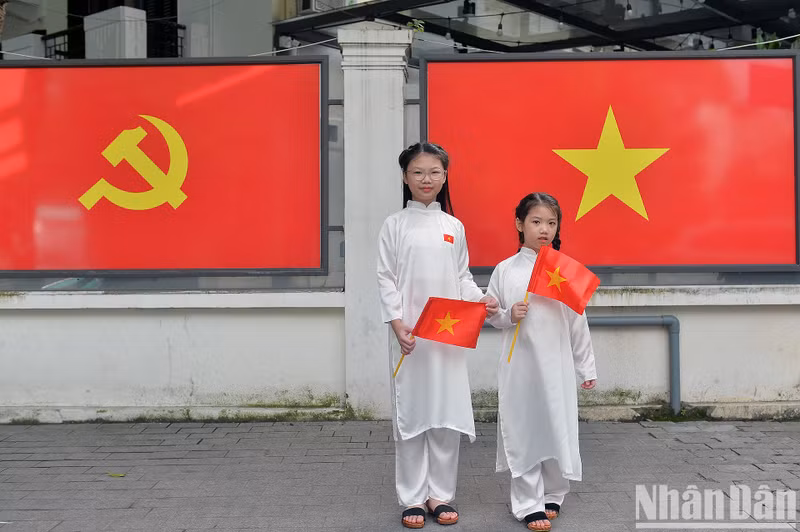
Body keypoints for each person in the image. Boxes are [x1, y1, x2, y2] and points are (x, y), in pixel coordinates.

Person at [377, 142, 499, 529]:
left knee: (445, 416)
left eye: (434, 172)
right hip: (411, 336)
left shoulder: (453, 226)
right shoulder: (394, 225)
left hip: (447, 335)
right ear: (404, 177)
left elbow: (461, 276)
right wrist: (398, 325)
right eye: (417, 172)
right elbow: (386, 278)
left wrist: (481, 301)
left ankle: (440, 494)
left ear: (445, 176)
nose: (426, 179)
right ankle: (412, 496)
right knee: (412, 414)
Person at [486, 192, 597, 532]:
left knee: (555, 426)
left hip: (557, 365)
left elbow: (578, 321)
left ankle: (554, 493)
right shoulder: (505, 270)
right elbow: (490, 315)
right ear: (520, 224)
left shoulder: (564, 270)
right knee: (524, 428)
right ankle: (527, 502)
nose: (544, 229)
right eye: (536, 222)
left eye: (551, 223)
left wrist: (586, 366)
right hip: (520, 365)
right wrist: (508, 315)